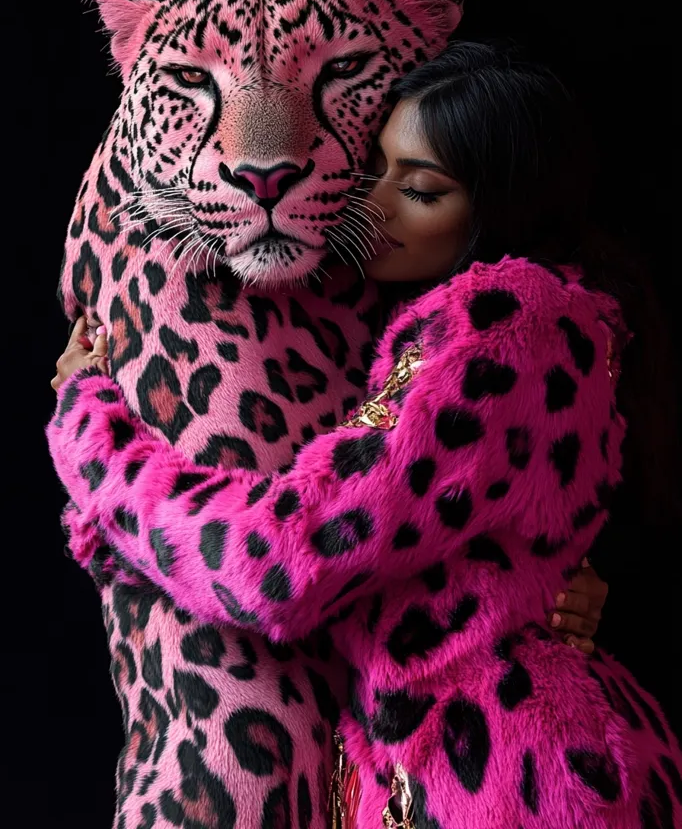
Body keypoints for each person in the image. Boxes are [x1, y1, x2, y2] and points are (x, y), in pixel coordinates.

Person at [48, 42, 681, 828]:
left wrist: (90, 428)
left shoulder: (503, 325)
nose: (373, 205)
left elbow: (277, 562)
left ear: (503, 207)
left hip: (507, 777)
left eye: (419, 189)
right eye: (375, 169)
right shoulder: (547, 324)